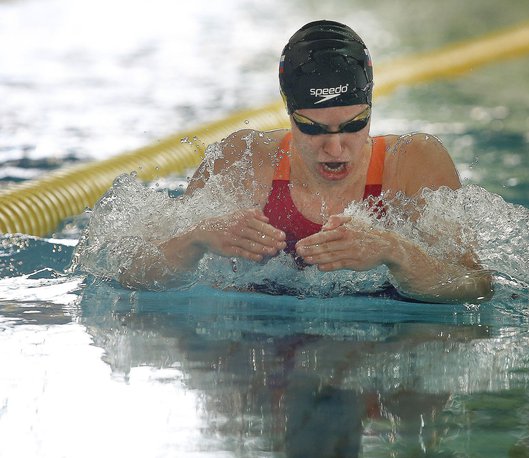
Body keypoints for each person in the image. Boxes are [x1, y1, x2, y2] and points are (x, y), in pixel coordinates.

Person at [120, 20, 493, 303]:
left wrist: (394, 251)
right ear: (288, 112)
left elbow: (474, 286)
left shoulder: (412, 163)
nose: (335, 149)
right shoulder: (245, 161)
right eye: (313, 129)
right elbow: (129, 273)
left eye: (354, 125)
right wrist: (195, 239)